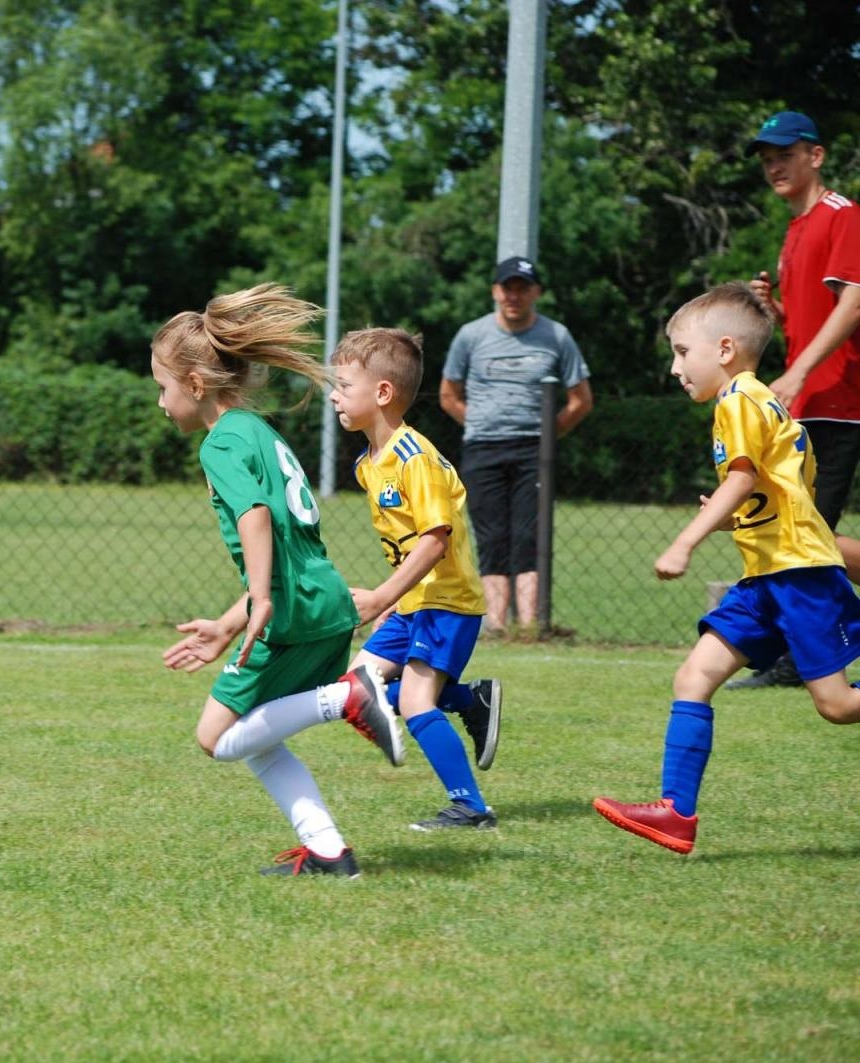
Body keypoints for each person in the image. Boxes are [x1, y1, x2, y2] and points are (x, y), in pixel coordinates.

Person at [593, 282, 860, 855]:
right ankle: (675, 814)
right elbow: (778, 494)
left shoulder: (739, 401)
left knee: (837, 705)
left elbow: (742, 480)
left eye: (682, 352)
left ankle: (675, 811)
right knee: (695, 676)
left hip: (797, 577)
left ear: (725, 350)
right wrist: (728, 521)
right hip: (766, 576)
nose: (674, 367)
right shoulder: (763, 403)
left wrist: (684, 542)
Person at [155, 283, 404, 879]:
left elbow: (256, 517)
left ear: (194, 384)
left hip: (292, 612)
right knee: (259, 740)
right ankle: (327, 850)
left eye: (163, 387)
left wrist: (262, 600)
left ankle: (345, 697)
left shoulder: (221, 442)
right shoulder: (257, 430)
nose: (160, 402)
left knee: (215, 737)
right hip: (324, 601)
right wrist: (228, 621)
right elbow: (288, 546)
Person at [330, 327, 504, 830]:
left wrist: (384, 593)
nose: (334, 396)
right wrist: (393, 601)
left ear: (382, 393)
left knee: (412, 700)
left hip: (447, 602)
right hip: (413, 605)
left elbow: (435, 540)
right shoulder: (369, 465)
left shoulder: (416, 459)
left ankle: (471, 806)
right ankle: (470, 701)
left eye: (343, 385)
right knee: (354, 690)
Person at [728, 111, 860, 688]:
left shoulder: (843, 215)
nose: (774, 165)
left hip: (840, 399)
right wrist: (776, 311)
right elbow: (812, 322)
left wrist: (797, 371)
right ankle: (793, 653)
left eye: (785, 153)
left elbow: (854, 303)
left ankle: (790, 658)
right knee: (802, 533)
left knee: (803, 537)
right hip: (809, 398)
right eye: (767, 159)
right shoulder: (794, 231)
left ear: (817, 156)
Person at [440, 257, 592, 633]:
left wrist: (548, 435)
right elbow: (448, 394)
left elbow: (581, 400)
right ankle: (496, 625)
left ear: (536, 292)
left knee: (528, 535)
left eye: (523, 288)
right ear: (495, 291)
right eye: (508, 287)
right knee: (491, 535)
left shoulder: (556, 336)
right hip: (482, 448)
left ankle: (528, 625)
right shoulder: (471, 336)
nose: (514, 296)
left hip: (533, 452)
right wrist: (477, 422)